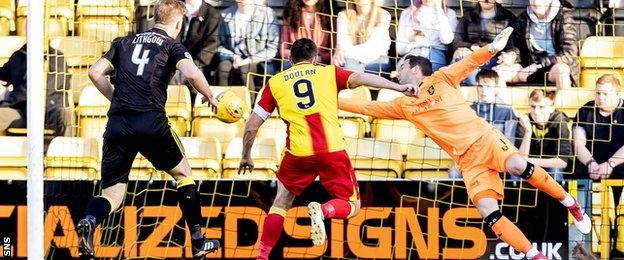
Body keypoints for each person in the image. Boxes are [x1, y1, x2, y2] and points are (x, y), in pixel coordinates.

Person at [338, 27, 591, 259]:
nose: (397, 72)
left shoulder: (442, 78)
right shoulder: (403, 104)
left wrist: (492, 48)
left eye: (402, 67)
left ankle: (572, 204)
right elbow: (367, 107)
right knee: (487, 211)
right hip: (467, 161)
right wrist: (333, 102)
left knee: (517, 164)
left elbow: (470, 62)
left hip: (486, 139)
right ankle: (535, 255)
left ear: (415, 69)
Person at [238, 38, 415, 260]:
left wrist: (246, 156)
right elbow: (361, 77)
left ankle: (262, 256)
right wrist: (398, 87)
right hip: (332, 150)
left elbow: (251, 126)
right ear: (315, 59)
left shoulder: (275, 83)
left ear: (290, 60)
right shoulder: (328, 72)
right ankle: (324, 211)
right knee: (353, 205)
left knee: (281, 202)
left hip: (298, 153)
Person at [76, 0, 221, 258]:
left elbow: (95, 72)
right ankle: (198, 241)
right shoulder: (172, 45)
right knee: (183, 173)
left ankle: (89, 220)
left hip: (118, 124)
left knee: (113, 193)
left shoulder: (124, 42)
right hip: (151, 122)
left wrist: (117, 99)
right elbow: (192, 74)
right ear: (178, 23)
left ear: (155, 17)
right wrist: (210, 96)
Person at [572, 74, 624, 254]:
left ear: (618, 93)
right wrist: (591, 163)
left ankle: (618, 242)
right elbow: (578, 143)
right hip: (591, 167)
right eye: (598, 93)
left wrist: (609, 164)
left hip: (618, 166)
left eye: (605, 94)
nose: (600, 98)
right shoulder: (585, 111)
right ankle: (582, 241)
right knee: (575, 175)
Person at [0, 45, 70, 136]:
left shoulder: (57, 57)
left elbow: (55, 85)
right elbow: (3, 74)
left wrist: (15, 96)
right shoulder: (17, 56)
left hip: (50, 110)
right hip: (21, 110)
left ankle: (67, 149)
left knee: (66, 114)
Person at [512, 0, 579, 89]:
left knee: (562, 71)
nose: (535, 1)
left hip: (554, 66)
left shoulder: (565, 17)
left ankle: (565, 101)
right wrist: (512, 55)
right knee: (500, 71)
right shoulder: (523, 18)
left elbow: (570, 53)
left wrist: (546, 62)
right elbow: (518, 48)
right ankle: (500, 103)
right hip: (531, 66)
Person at [217, 0, 279, 92]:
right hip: (234, 58)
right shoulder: (226, 15)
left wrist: (248, 60)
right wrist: (234, 57)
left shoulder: (267, 14)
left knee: (245, 70)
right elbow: (221, 45)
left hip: (260, 60)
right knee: (223, 68)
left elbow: (272, 49)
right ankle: (221, 102)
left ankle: (249, 104)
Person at [452, 0, 516, 84]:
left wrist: (509, 55)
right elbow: (457, 42)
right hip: (472, 58)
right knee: (460, 54)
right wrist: (472, 47)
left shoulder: (508, 17)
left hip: (496, 61)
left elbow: (513, 46)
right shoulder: (468, 16)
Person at [515, 89, 572, 181]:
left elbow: (562, 162)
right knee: (516, 171)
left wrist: (529, 161)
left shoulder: (559, 121)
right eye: (533, 107)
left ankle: (556, 195)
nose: (536, 112)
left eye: (541, 107)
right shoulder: (525, 121)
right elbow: (519, 158)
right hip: (530, 167)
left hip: (552, 166)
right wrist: (528, 131)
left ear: (551, 108)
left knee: (555, 170)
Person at [332, 0, 391, 74]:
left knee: (369, 71)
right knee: (348, 67)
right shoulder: (343, 15)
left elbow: (373, 48)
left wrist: (344, 52)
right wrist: (341, 51)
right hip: (351, 60)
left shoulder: (383, 15)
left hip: (377, 58)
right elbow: (343, 44)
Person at [396, 0, 457, 72]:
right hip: (412, 53)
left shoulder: (449, 13)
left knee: (424, 73)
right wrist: (412, 38)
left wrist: (438, 8)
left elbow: (447, 40)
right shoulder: (407, 14)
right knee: (405, 71)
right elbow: (400, 50)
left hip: (435, 54)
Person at [281, 0, 331, 69]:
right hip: (296, 62)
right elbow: (283, 50)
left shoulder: (329, 16)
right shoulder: (290, 14)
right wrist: (300, 57)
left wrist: (321, 58)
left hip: (320, 62)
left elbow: (334, 51)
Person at [180, 0, 220, 85]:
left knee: (195, 79)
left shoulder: (212, 14)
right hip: (178, 59)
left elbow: (212, 44)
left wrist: (193, 64)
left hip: (199, 63)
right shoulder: (175, 9)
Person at [471, 69, 517, 139]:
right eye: (480, 86)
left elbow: (510, 142)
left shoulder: (507, 110)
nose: (483, 90)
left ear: (496, 87)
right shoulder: (469, 110)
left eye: (488, 86)